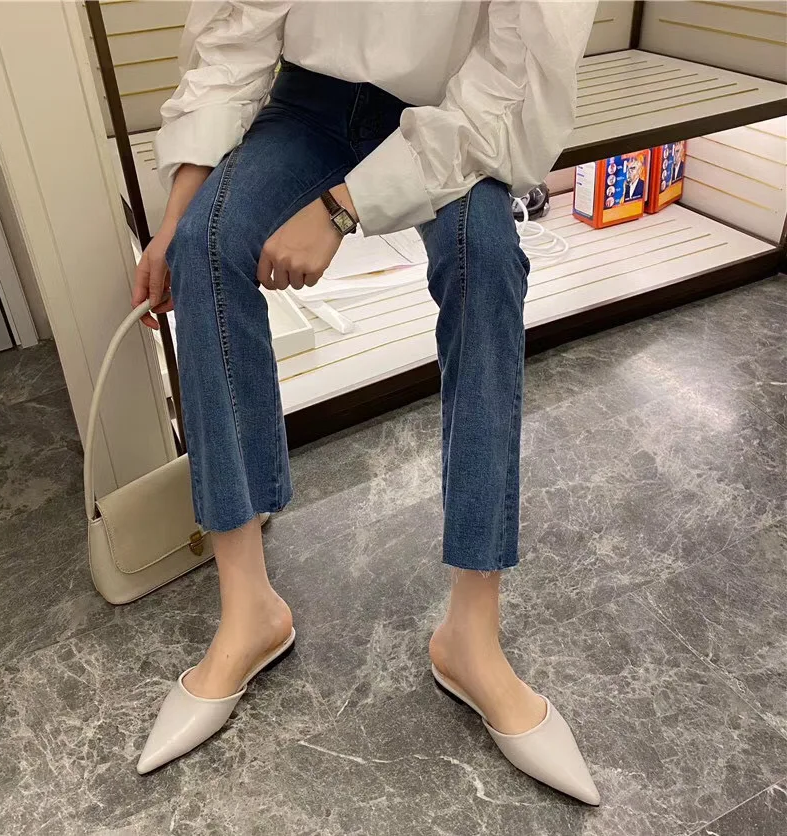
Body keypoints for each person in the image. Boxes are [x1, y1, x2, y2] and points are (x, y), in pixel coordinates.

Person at [132, 0, 600, 805]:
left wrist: (341, 207)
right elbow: (237, 35)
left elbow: (509, 78)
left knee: (487, 261)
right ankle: (248, 608)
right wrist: (176, 217)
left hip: (451, 111)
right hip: (307, 105)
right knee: (206, 246)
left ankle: (472, 634)